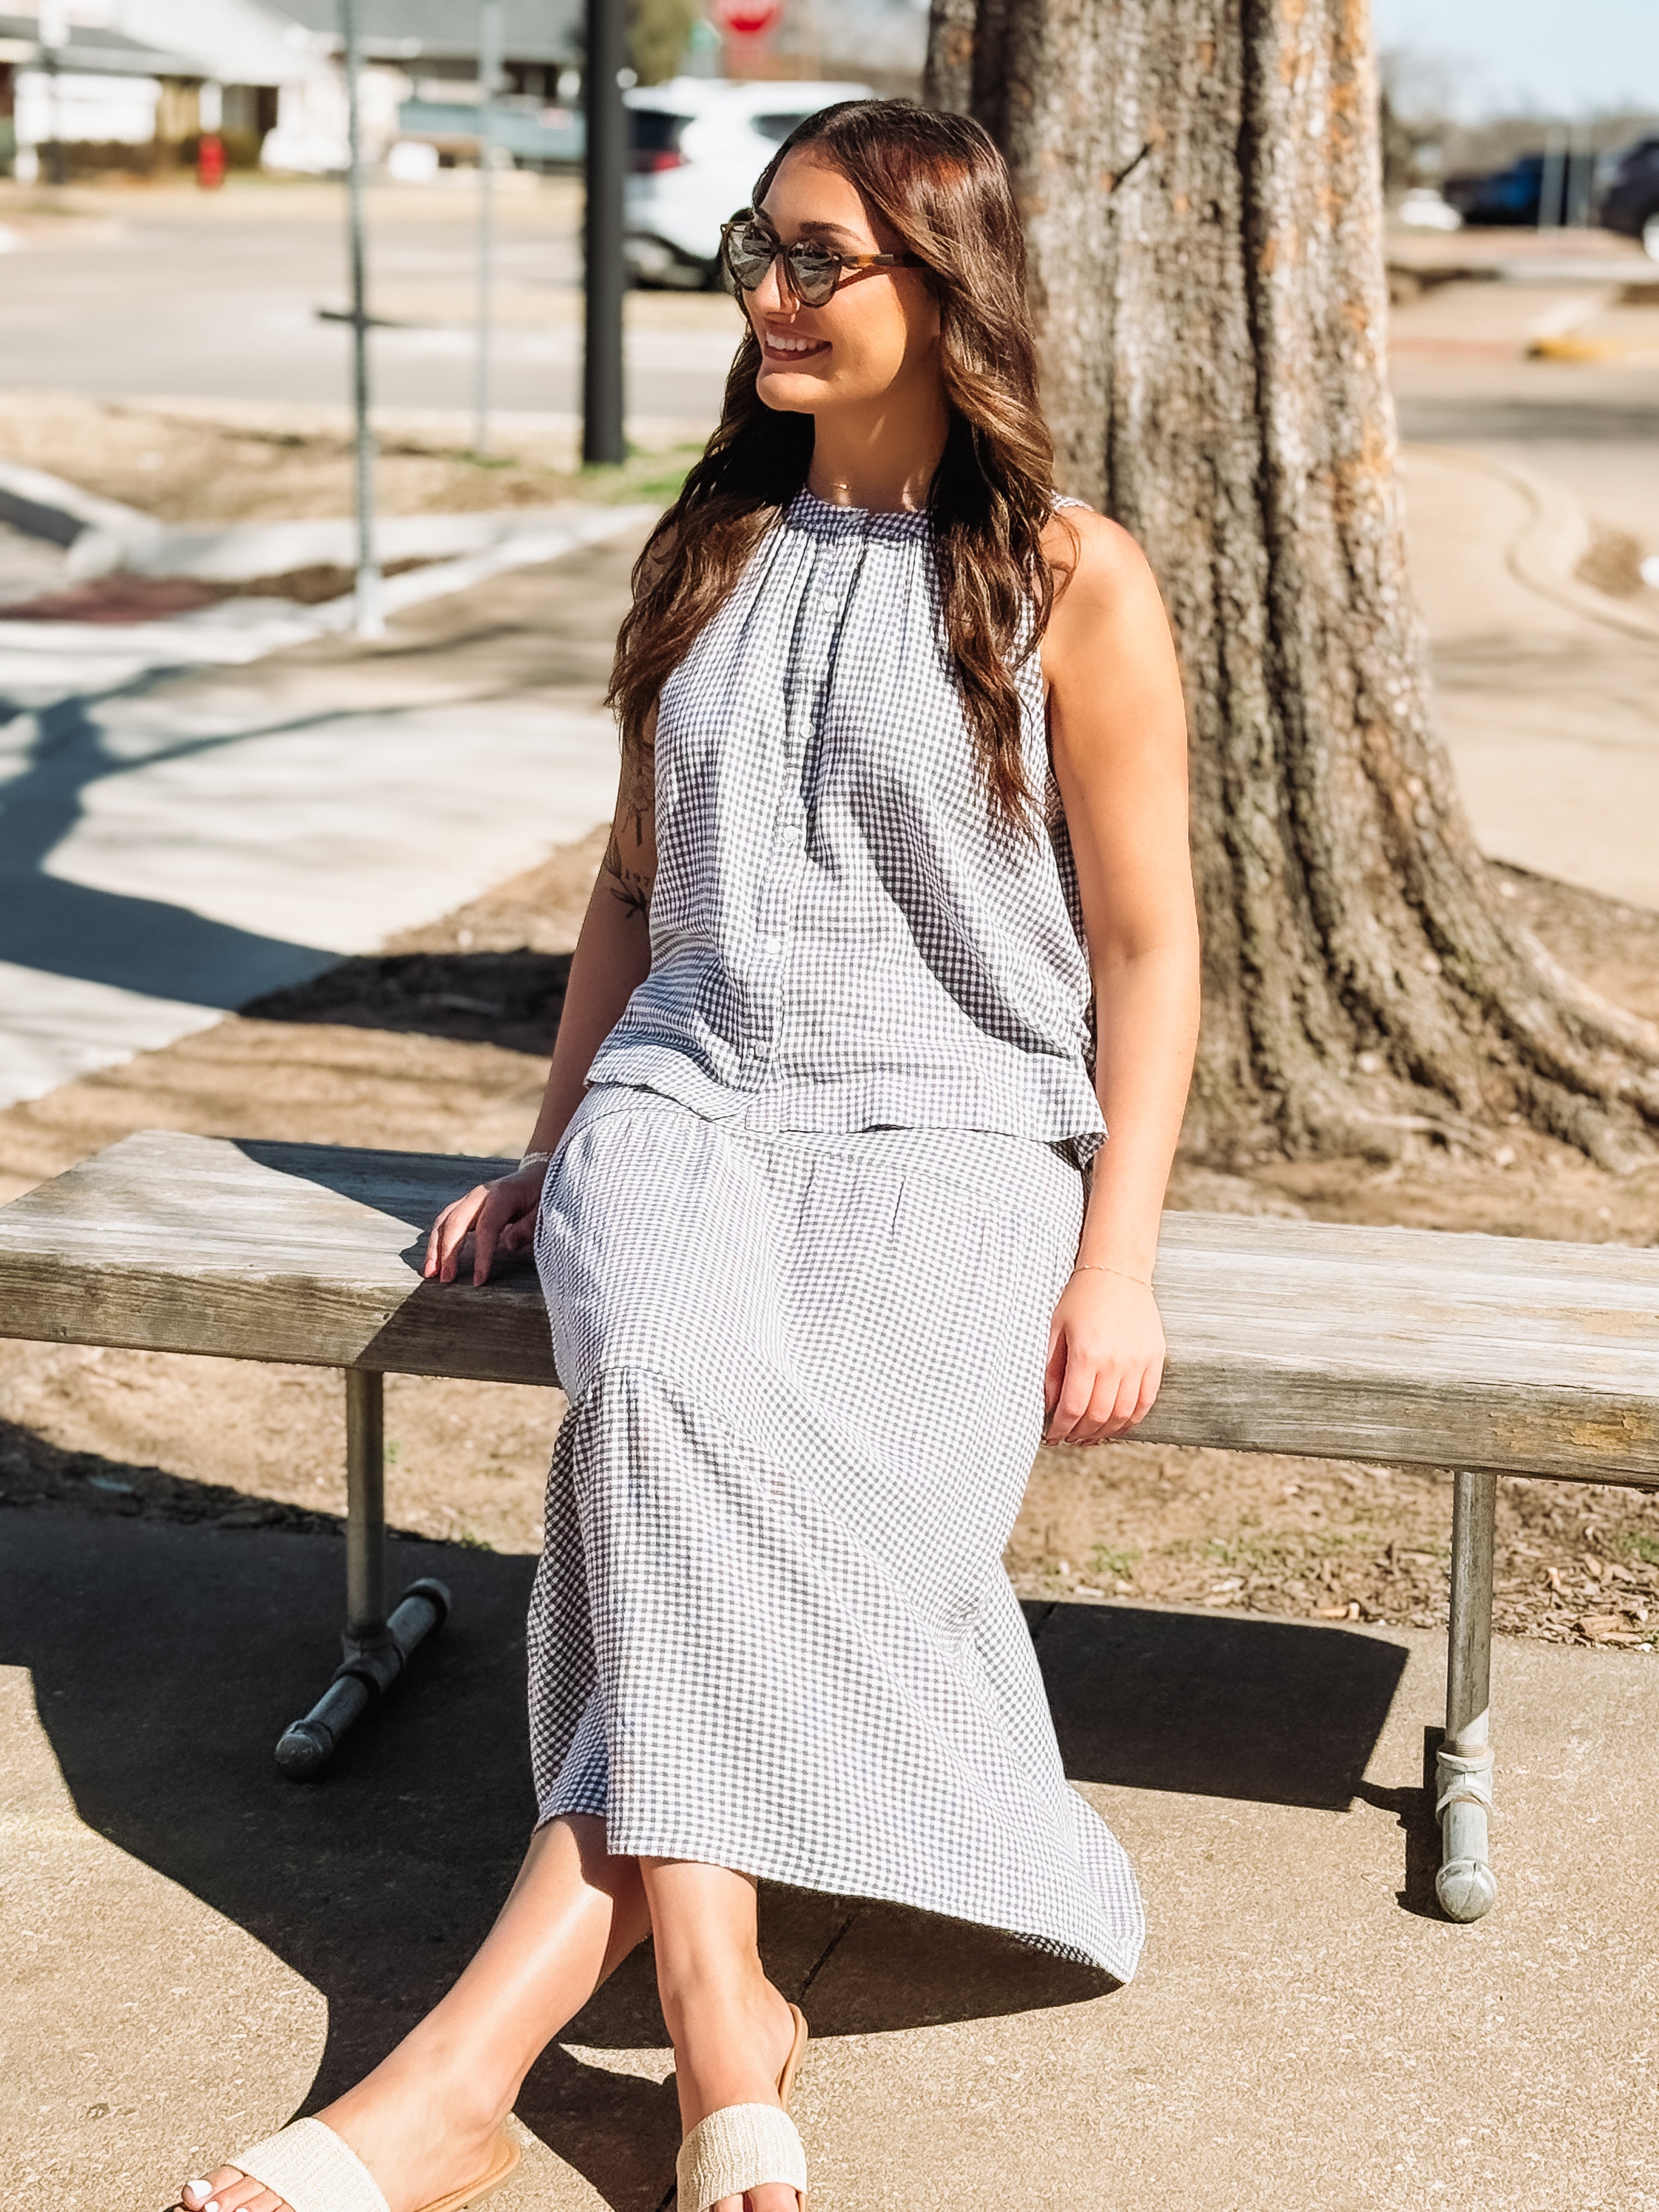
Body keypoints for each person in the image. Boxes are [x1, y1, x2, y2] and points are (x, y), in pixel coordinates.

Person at [178, 95, 1197, 2212]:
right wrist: (555, 1151)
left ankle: (527, 2049)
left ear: (946, 283)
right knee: (657, 1399)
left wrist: (1119, 1258)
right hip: (687, 1107)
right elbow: (632, 899)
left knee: (741, 1496)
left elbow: (1145, 945)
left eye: (819, 259)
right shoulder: (706, 549)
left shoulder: (1072, 578)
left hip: (962, 1140)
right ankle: (703, 2032)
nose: (767, 295)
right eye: (759, 249)